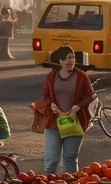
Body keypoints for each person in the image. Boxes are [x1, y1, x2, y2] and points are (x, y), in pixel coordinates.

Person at [40, 46, 94, 175]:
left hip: (75, 122)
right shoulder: (51, 76)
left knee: (70, 158)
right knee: (51, 160)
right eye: (67, 58)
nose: (71, 61)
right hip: (54, 123)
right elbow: (45, 96)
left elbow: (91, 97)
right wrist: (51, 104)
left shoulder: (82, 76)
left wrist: (78, 106)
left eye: (73, 57)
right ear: (60, 61)